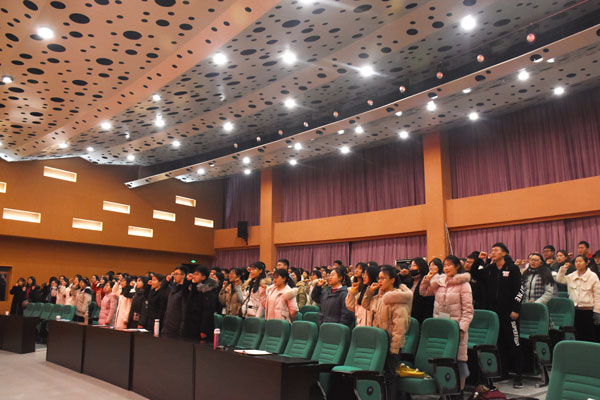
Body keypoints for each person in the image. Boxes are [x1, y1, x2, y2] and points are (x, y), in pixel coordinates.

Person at [472, 243, 525, 388]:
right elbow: (475, 274)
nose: (492, 252)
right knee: (499, 343)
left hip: (510, 312)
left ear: (504, 253)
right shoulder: (490, 269)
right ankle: (504, 372)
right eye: (492, 250)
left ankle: (519, 375)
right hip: (494, 313)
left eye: (496, 250)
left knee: (514, 343)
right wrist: (479, 260)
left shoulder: (512, 268)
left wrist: (516, 309)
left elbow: (520, 290)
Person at [421, 255, 474, 391]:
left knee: (459, 360)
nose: (446, 268)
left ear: (457, 266)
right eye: (444, 265)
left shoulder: (464, 284)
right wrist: (427, 279)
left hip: (456, 328)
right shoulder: (439, 282)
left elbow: (468, 311)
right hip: (440, 327)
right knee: (441, 359)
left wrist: (462, 329)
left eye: (449, 265)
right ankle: (444, 390)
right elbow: (423, 292)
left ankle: (459, 391)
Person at [361, 265, 413, 400]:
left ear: (392, 280)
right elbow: (365, 305)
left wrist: (394, 348)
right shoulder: (378, 297)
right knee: (378, 375)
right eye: (378, 278)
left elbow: (400, 327)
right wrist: (369, 292)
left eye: (383, 278)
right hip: (378, 344)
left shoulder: (397, 298)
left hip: (391, 345)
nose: (380, 281)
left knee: (390, 376)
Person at [555, 255, 600, 342]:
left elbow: (598, 295)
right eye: (576, 262)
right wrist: (563, 269)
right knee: (577, 333)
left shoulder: (593, 276)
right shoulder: (572, 275)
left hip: (588, 310)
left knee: (589, 334)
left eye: (580, 261)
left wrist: (597, 311)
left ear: (586, 263)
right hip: (574, 310)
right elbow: (559, 279)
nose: (578, 263)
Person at [183, 265, 219, 341]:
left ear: (203, 277)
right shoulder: (194, 287)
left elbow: (208, 311)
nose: (194, 276)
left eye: (197, 274)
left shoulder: (209, 290)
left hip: (200, 326)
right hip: (191, 322)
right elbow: (185, 295)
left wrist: (204, 330)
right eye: (194, 274)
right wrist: (187, 281)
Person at [162, 265, 189, 337]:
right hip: (167, 324)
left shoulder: (185, 291)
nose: (174, 276)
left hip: (176, 327)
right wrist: (166, 281)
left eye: (176, 274)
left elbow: (184, 310)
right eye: (174, 274)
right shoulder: (173, 288)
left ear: (183, 275)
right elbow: (162, 293)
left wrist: (181, 327)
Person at [409, 257, 435, 324]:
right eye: (411, 266)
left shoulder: (426, 282)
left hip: (422, 318)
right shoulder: (409, 282)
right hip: (409, 317)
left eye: (414, 265)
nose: (411, 268)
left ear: (421, 267)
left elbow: (428, 305)